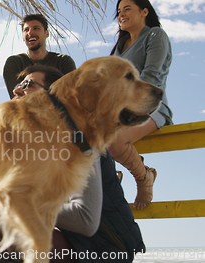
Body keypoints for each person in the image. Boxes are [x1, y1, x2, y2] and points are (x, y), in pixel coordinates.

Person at [0, 65, 144, 263]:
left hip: (103, 249)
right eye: (18, 85)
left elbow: (86, 220)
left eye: (27, 84)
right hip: (61, 240)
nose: (16, 90)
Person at [109, 0, 172, 209]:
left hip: (152, 107)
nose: (121, 14)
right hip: (120, 112)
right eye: (119, 11)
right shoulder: (119, 48)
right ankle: (108, 176)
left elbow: (150, 77)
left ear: (144, 11)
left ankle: (144, 177)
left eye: (127, 9)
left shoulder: (155, 35)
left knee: (113, 141)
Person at [3, 14, 76, 99]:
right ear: (23, 37)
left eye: (36, 28)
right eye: (26, 30)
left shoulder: (63, 61)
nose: (30, 33)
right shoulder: (14, 62)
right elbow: (17, 98)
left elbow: (70, 96)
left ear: (47, 33)